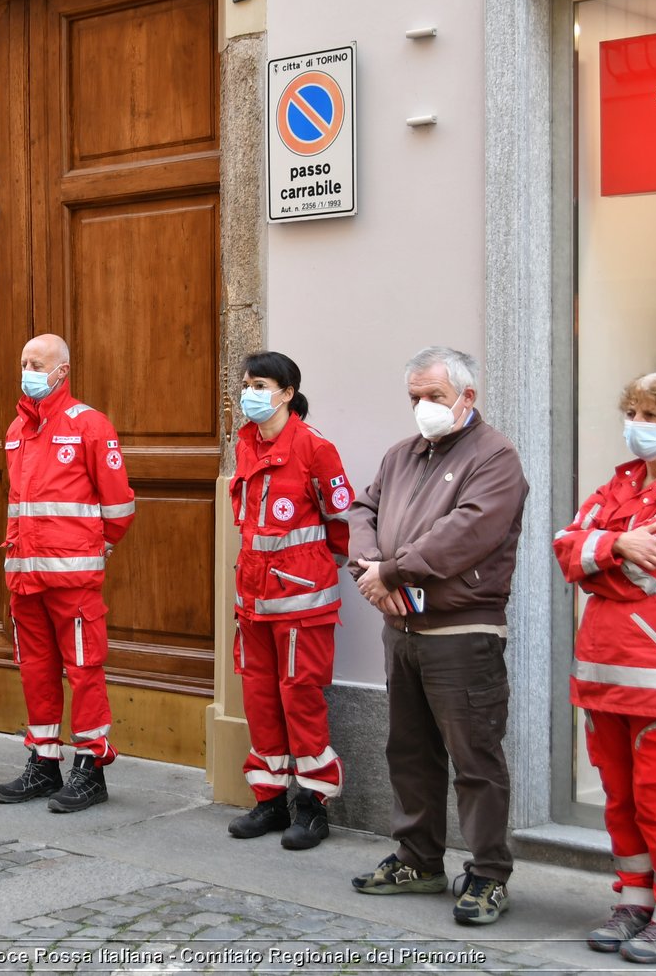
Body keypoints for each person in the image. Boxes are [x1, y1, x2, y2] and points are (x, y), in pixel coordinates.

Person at [346, 346, 528, 926]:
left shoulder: (495, 456)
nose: (423, 407)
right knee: (409, 751)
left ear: (466, 398)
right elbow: (362, 509)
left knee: (474, 759)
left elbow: (467, 532)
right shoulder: (403, 454)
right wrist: (370, 566)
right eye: (415, 398)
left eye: (434, 397)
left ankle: (488, 872)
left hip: (461, 631)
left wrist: (391, 571)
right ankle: (418, 858)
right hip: (402, 628)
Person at [553, 373, 656, 964]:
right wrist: (618, 544)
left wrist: (601, 551)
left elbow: (646, 575)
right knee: (620, 799)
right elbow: (563, 547)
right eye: (632, 411)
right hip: (604, 670)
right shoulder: (621, 484)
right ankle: (637, 902)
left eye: (651, 414)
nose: (638, 424)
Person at [0, 333, 135, 813]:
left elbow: (119, 507)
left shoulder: (90, 425)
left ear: (62, 371)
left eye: (37, 363)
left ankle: (90, 768)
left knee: (84, 671)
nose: (28, 370)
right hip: (25, 578)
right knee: (35, 670)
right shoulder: (16, 430)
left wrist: (95, 549)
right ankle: (44, 760)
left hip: (72, 579)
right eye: (24, 361)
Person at [224, 351, 352, 850]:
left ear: (286, 392)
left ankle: (313, 805)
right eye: (246, 383)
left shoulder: (315, 448)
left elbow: (339, 523)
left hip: (302, 602)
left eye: (259, 384)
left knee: (300, 700)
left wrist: (310, 572)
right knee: (260, 700)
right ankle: (270, 800)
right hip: (254, 603)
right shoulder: (246, 444)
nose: (249, 392)